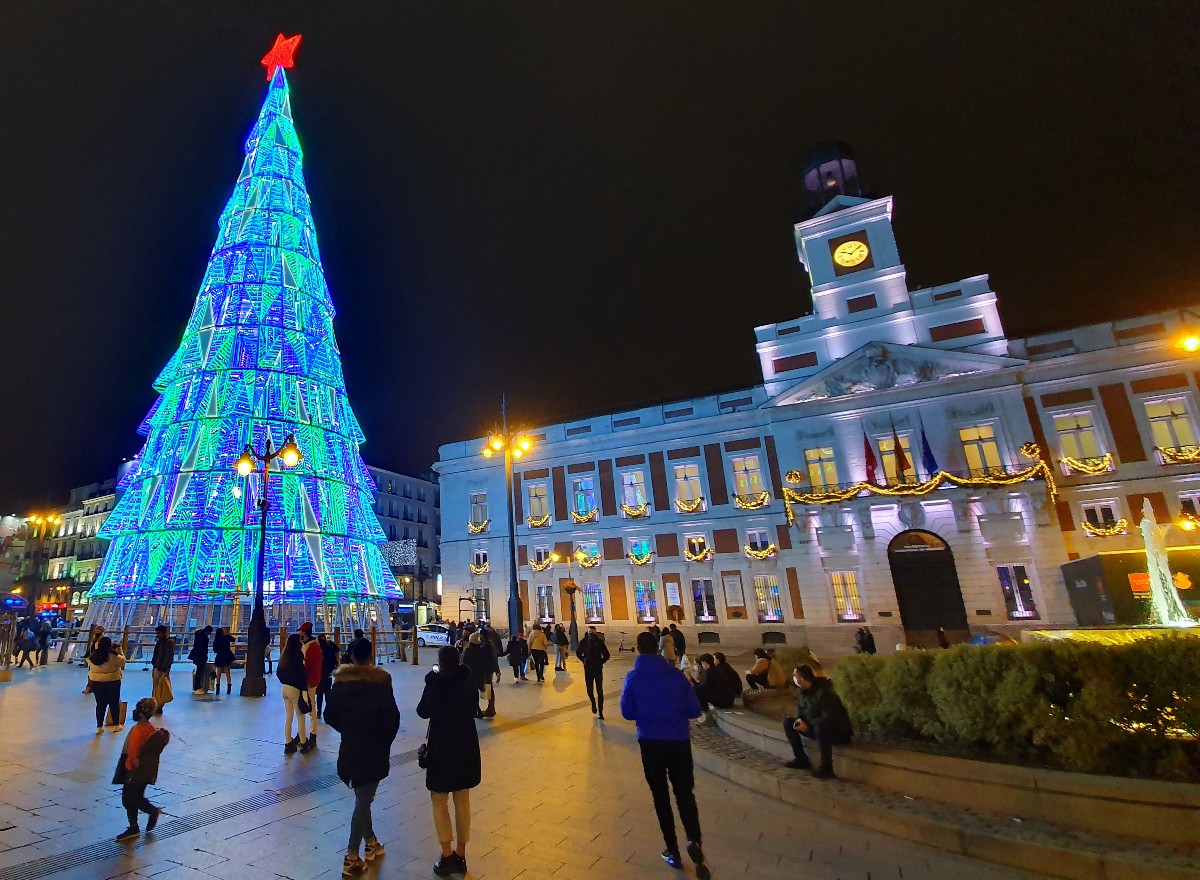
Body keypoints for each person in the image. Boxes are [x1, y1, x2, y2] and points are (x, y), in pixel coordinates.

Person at [620, 632, 712, 880]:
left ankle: (672, 849)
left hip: (650, 742)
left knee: (660, 796)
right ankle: (694, 841)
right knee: (685, 794)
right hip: (679, 742)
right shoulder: (676, 676)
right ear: (658, 650)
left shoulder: (633, 678)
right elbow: (694, 710)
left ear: (638, 649)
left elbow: (627, 712)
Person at [324, 637, 400, 876]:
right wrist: (383, 740)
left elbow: (329, 715)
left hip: (350, 747)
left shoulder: (340, 683)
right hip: (374, 748)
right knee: (363, 801)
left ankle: (371, 842)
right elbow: (392, 718)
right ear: (371, 655)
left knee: (362, 798)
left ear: (352, 656)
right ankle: (351, 856)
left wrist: (348, 729)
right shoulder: (381, 682)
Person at [417, 646, 481, 877]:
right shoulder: (467, 678)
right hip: (465, 744)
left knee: (439, 800)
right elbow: (474, 705)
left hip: (442, 746)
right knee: (462, 799)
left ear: (440, 662)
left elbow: (422, 711)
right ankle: (461, 854)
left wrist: (431, 680)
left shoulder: (436, 683)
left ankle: (446, 854)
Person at [783, 664, 853, 778]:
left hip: (835, 732)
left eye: (795, 676)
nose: (794, 679)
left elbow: (830, 718)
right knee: (788, 723)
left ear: (802, 678)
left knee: (820, 727)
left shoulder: (824, 693)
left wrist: (809, 726)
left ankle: (827, 768)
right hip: (815, 728)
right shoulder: (803, 694)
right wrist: (799, 722)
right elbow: (802, 714)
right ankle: (801, 759)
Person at [115, 697, 170, 842]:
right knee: (136, 796)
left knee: (129, 799)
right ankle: (135, 825)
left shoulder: (138, 730)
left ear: (141, 713)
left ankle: (147, 816)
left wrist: (128, 767)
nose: (134, 712)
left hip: (133, 770)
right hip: (146, 770)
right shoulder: (151, 729)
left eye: (136, 709)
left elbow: (133, 752)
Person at [277, 633, 313, 754]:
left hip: (285, 688)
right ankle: (303, 742)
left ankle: (288, 743)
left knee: (289, 717)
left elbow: (279, 672)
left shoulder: (284, 656)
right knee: (300, 715)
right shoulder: (298, 656)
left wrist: (285, 681)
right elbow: (302, 674)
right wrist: (303, 690)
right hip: (295, 689)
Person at [87, 636, 126, 733]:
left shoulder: (93, 656)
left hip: (96, 682)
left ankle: (99, 726)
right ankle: (116, 725)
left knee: (100, 704)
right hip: (112, 681)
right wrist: (119, 650)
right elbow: (122, 661)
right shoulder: (113, 655)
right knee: (113, 703)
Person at [577, 625, 611, 719]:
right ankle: (593, 703)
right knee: (589, 690)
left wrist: (601, 661)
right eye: (589, 633)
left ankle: (600, 711)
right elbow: (578, 652)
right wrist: (583, 660)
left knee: (599, 690)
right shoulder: (584, 642)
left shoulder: (600, 642)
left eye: (592, 633)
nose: (591, 635)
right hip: (588, 668)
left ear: (595, 633)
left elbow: (607, 655)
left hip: (598, 668)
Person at [299, 622, 322, 743]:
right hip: (308, 680)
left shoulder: (312, 646)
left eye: (301, 631)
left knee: (310, 706)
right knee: (304, 705)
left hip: (309, 681)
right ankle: (303, 732)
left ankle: (312, 732)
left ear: (305, 632)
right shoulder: (311, 645)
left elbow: (308, 665)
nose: (299, 633)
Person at [150, 625, 175, 716]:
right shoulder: (162, 642)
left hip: (161, 668)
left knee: (159, 688)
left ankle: (158, 705)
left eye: (159, 633)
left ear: (164, 633)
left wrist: (165, 668)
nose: (158, 635)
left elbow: (168, 656)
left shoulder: (168, 642)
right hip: (158, 666)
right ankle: (157, 705)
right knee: (157, 687)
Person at [316, 633, 340, 718]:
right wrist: (331, 643)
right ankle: (328, 711)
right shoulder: (330, 646)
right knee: (327, 692)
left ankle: (319, 711)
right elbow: (337, 649)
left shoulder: (318, 648)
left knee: (319, 694)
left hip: (320, 674)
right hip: (329, 673)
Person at [189, 625, 212, 695]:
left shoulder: (198, 635)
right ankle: (197, 687)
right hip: (201, 656)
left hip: (196, 655)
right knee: (199, 672)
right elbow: (204, 648)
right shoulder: (204, 638)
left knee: (198, 672)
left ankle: (197, 687)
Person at [212, 627, 235, 696]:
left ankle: (218, 688)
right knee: (227, 672)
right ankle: (229, 688)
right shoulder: (226, 637)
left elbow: (215, 649)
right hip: (227, 655)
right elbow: (233, 639)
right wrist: (227, 634)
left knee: (218, 672)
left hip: (219, 656)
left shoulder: (216, 640)